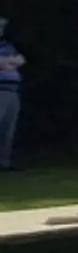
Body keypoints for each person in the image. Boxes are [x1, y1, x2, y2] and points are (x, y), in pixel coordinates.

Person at [0, 16, 20, 171]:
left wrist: (6, 63)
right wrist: (8, 62)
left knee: (8, 128)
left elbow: (21, 60)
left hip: (12, 89)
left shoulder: (7, 46)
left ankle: (4, 162)